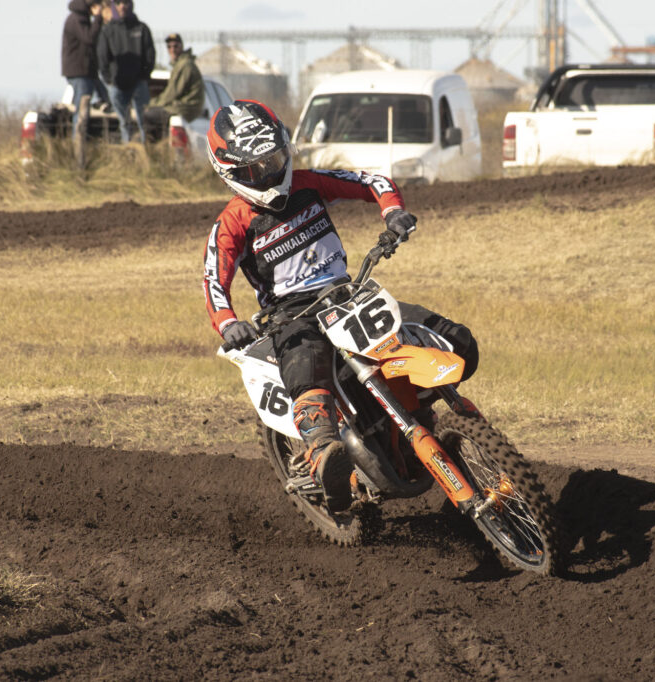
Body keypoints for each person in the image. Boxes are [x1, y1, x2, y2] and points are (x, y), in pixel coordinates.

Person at [202, 100, 478, 513]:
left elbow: (370, 181)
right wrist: (228, 324)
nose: (270, 173)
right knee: (306, 363)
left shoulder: (308, 183)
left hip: (348, 295)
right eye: (256, 169)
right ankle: (322, 452)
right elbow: (213, 280)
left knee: (451, 338)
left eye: (274, 160)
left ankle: (425, 405)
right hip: (291, 316)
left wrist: (393, 212)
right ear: (230, 173)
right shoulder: (233, 222)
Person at [97, 0, 155, 144]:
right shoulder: (108, 30)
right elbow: (102, 57)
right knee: (124, 122)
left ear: (131, 4)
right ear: (114, 6)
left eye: (125, 2)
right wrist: (109, 80)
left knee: (144, 121)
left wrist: (143, 76)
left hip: (139, 83)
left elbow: (150, 55)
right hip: (116, 84)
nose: (122, 6)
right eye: (118, 2)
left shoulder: (141, 28)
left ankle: (145, 150)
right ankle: (128, 148)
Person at [61, 0, 110, 139]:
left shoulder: (81, 18)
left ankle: (83, 139)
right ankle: (78, 142)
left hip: (87, 71)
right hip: (79, 71)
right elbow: (89, 38)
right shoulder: (77, 19)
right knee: (82, 109)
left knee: (104, 98)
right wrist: (99, 18)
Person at [151, 33, 205, 125]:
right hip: (185, 107)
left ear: (181, 46)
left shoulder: (184, 65)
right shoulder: (181, 64)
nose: (172, 50)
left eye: (176, 46)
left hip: (187, 108)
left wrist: (152, 104)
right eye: (169, 47)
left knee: (148, 115)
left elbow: (172, 93)